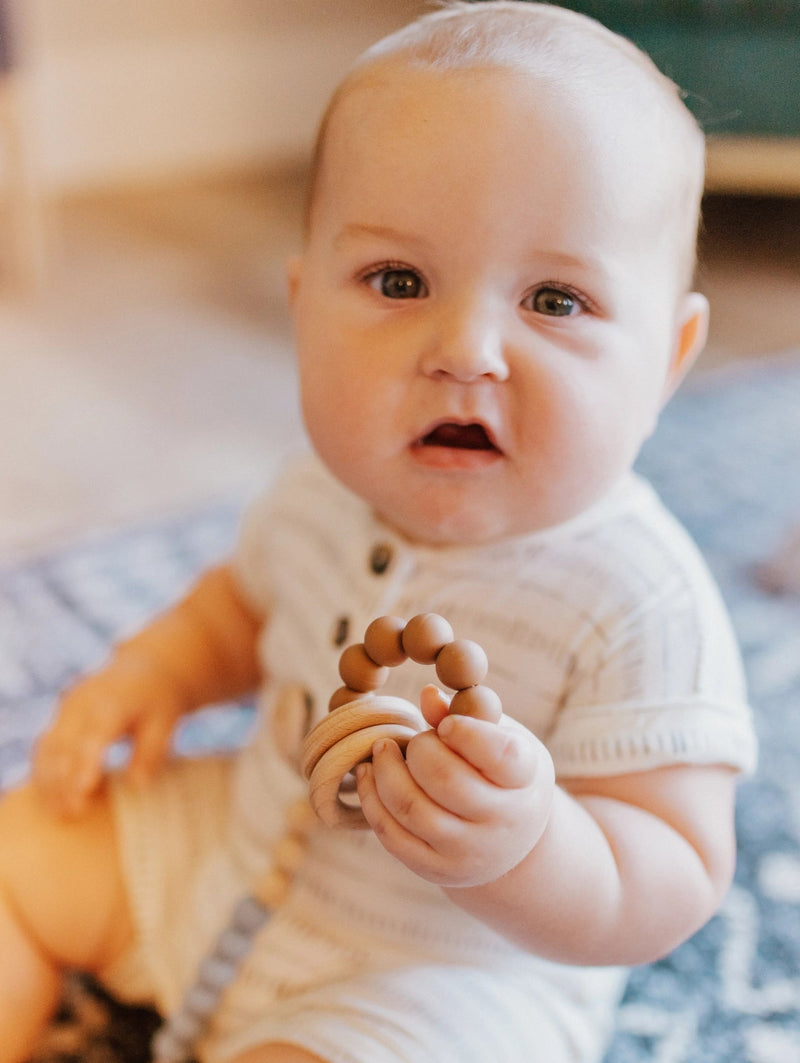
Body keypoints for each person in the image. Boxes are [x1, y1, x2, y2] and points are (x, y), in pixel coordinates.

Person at [0, 3, 757, 1062]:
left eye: (555, 298)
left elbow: (672, 868)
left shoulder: (635, 597)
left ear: (666, 361)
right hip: (229, 849)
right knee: (17, 849)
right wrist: (154, 672)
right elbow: (242, 605)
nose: (466, 348)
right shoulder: (319, 488)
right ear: (304, 308)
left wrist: (528, 845)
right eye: (397, 282)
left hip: (445, 977)